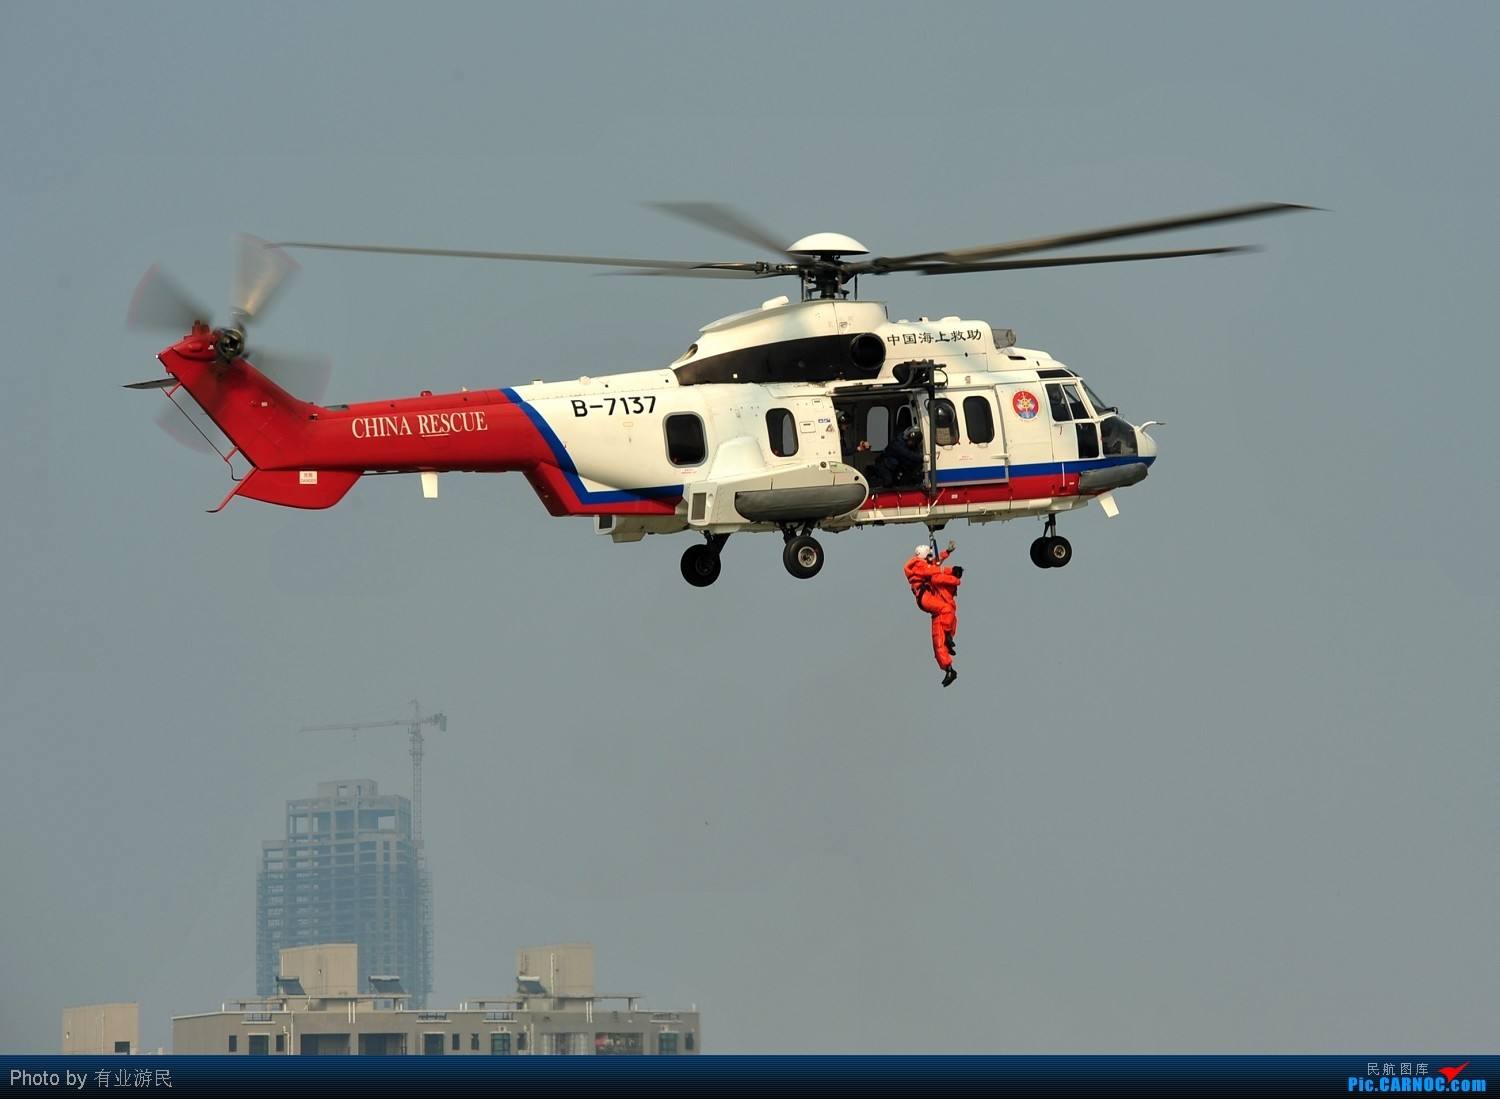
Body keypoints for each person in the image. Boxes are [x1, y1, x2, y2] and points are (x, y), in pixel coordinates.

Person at [904, 540, 964, 687]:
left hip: (927, 596)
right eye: (929, 556)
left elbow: (935, 563)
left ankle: (948, 668)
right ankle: (948, 635)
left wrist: (947, 553)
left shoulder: (922, 563)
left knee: (938, 636)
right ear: (924, 556)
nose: (932, 558)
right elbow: (932, 570)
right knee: (946, 609)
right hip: (925, 597)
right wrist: (949, 571)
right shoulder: (918, 566)